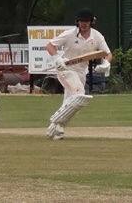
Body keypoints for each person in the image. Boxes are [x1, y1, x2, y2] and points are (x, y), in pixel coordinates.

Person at [44, 8, 113, 140]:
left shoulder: (97, 36)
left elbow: (107, 54)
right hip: (66, 69)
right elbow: (50, 45)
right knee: (79, 95)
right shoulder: (69, 34)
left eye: (86, 21)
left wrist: (106, 64)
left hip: (82, 71)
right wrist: (57, 58)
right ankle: (55, 120)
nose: (84, 23)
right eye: (81, 21)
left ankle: (57, 129)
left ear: (91, 22)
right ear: (77, 21)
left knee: (71, 101)